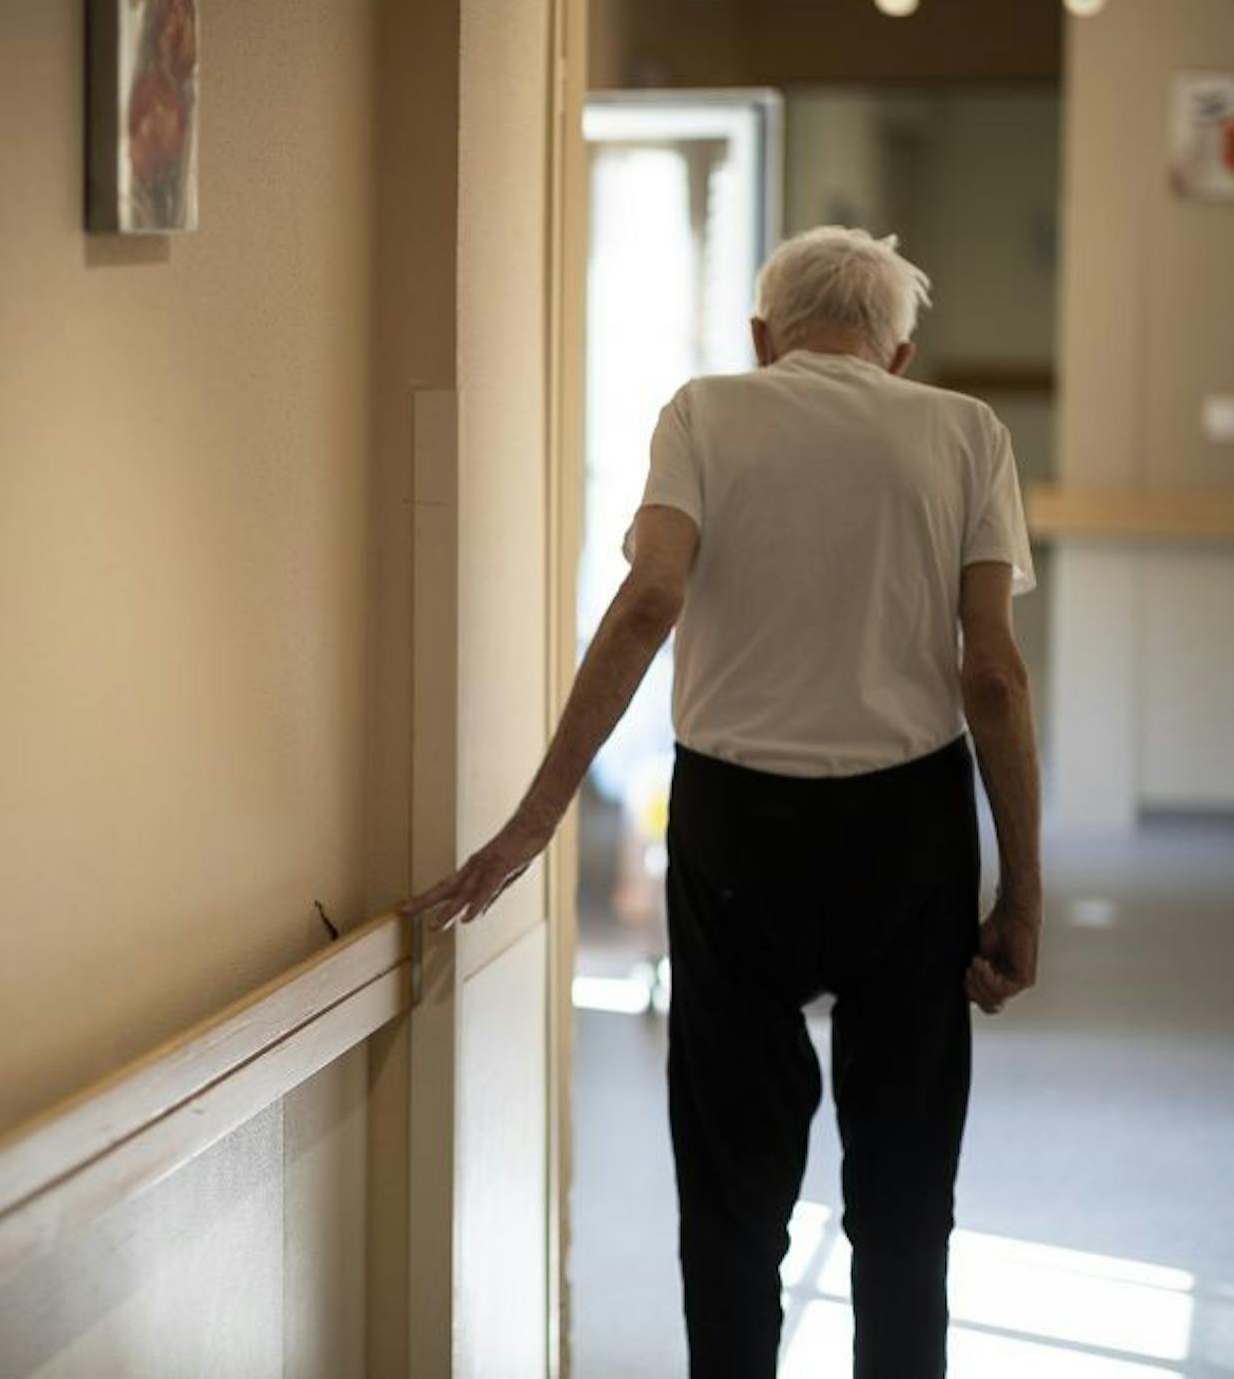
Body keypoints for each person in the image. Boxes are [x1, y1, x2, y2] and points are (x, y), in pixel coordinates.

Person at [405, 226, 1042, 1378]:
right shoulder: (965, 431)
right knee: (903, 1199)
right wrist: (1025, 891)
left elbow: (650, 600)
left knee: (731, 1197)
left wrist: (534, 822)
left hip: (736, 827)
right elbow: (992, 673)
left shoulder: (703, 413)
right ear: (899, 353)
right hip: (911, 830)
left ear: (764, 338)